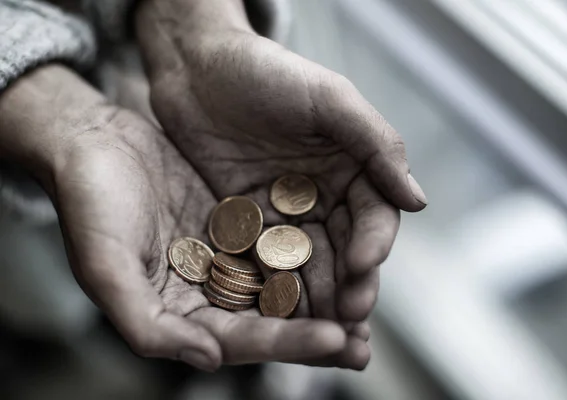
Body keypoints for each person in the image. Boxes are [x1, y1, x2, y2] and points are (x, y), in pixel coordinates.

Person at [0, 0, 427, 372]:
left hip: (118, 76)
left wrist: (192, 22)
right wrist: (51, 111)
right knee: (51, 303)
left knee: (79, 296)